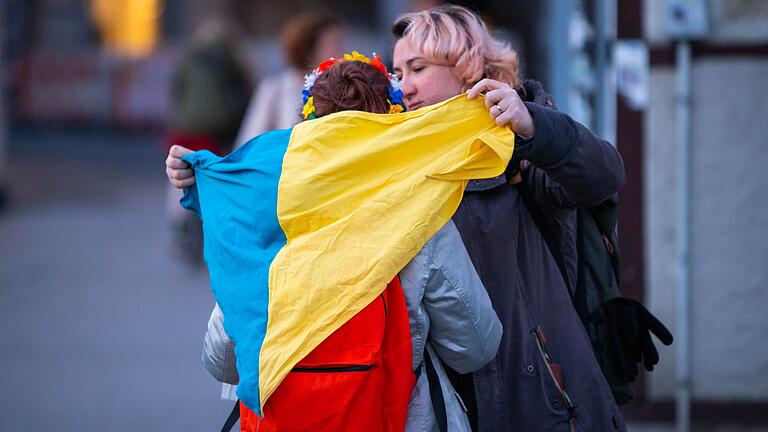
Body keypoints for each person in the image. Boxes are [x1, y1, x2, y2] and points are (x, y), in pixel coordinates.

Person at [189, 55, 503, 431]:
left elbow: (220, 360)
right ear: (393, 125)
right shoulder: (419, 211)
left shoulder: (266, 213)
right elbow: (476, 348)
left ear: (309, 123)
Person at [390, 5, 627, 431]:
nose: (404, 87)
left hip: (544, 398)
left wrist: (533, 129)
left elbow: (605, 176)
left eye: (418, 68)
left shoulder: (514, 142)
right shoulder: (401, 158)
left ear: (467, 68)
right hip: (447, 404)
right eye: (397, 72)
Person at [164, 18, 252, 267]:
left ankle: (177, 220)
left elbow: (176, 88)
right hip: (215, 127)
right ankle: (210, 227)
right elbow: (245, 86)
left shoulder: (188, 56)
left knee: (176, 171)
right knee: (211, 174)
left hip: (184, 125)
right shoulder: (229, 57)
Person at [232, 11, 345, 147]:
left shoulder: (343, 88)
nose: (342, 50)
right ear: (309, 48)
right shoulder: (276, 88)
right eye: (335, 43)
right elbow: (248, 143)